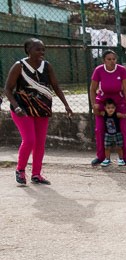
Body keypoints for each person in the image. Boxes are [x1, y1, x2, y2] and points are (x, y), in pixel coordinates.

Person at [4, 38, 73, 185]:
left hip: (42, 108)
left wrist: (66, 105)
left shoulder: (47, 66)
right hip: (22, 109)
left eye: (43, 49)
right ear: (29, 50)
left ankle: (36, 174)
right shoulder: (19, 66)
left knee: (40, 143)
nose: (42, 52)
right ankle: (20, 170)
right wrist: (16, 106)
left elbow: (56, 86)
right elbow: (8, 89)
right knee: (29, 140)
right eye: (38, 49)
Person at [89, 50, 126, 167]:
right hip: (103, 101)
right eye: (109, 59)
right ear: (104, 60)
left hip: (118, 101)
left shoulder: (122, 70)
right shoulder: (98, 70)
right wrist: (94, 104)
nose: (112, 61)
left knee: (123, 129)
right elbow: (92, 89)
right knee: (99, 129)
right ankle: (101, 157)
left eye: (113, 59)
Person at [99, 98, 126, 167]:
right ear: (105, 108)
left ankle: (121, 159)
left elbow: (124, 115)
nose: (110, 109)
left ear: (115, 108)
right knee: (107, 148)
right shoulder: (104, 114)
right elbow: (96, 112)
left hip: (117, 134)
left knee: (119, 147)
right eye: (108, 108)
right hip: (107, 134)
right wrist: (96, 106)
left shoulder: (117, 114)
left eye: (112, 107)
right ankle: (107, 159)